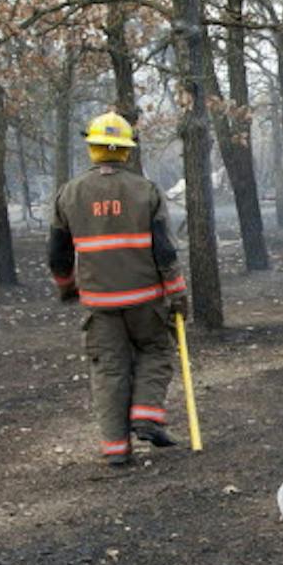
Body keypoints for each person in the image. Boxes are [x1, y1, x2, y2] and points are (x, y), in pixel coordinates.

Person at [49, 111, 187, 468]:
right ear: (126, 150)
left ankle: (115, 448)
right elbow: (164, 250)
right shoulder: (146, 191)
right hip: (145, 298)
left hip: (99, 303)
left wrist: (66, 287)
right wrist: (177, 293)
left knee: (108, 369)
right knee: (156, 350)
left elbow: (58, 253)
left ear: (92, 148)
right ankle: (146, 415)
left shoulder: (70, 194)